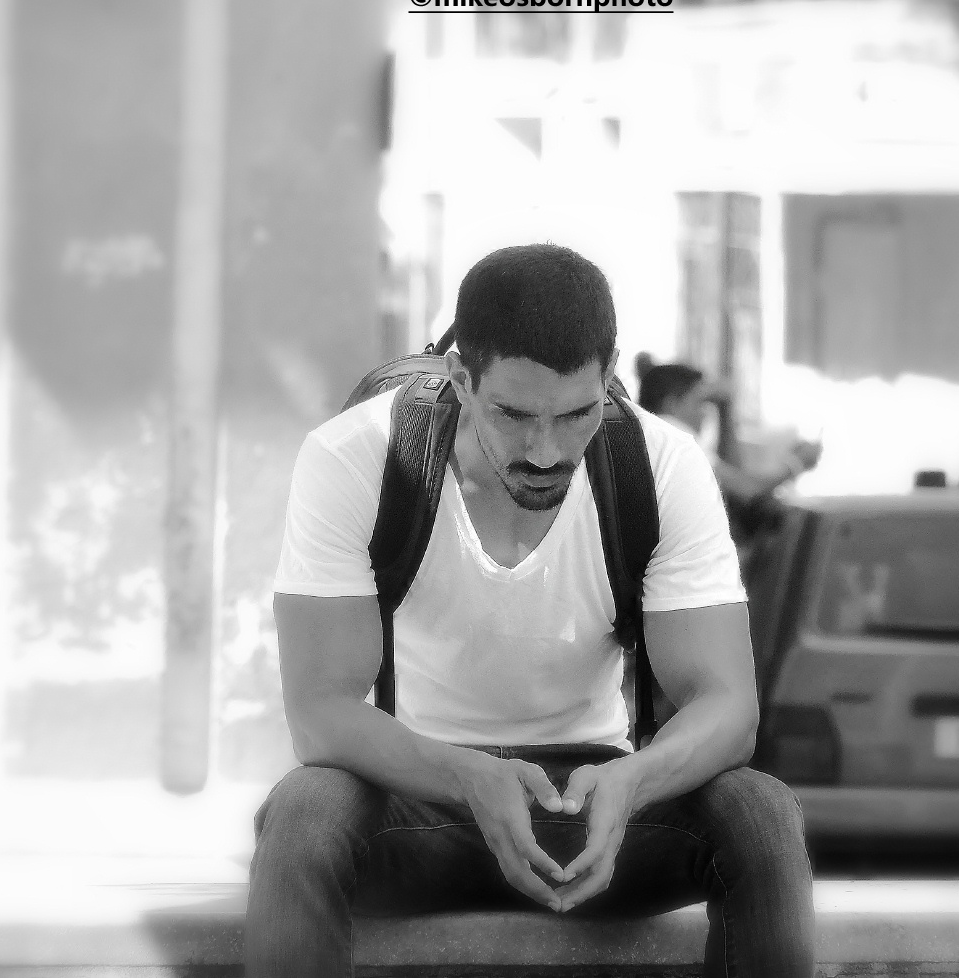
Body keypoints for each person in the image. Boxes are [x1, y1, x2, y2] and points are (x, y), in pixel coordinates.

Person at [248, 244, 814, 977]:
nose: (545, 451)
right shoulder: (357, 457)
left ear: (609, 377)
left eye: (577, 414)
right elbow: (320, 713)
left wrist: (635, 781)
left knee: (761, 812)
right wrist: (467, 778)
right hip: (422, 793)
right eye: (513, 415)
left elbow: (729, 707)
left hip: (595, 802)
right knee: (303, 813)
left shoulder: (662, 465)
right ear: (461, 377)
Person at [635, 354, 821, 549]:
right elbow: (748, 489)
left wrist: (725, 410)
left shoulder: (651, 432)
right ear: (672, 404)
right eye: (700, 403)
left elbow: (733, 474)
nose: (705, 413)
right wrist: (797, 463)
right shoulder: (672, 435)